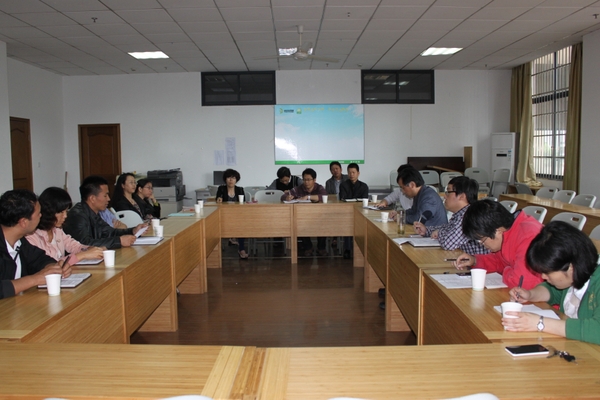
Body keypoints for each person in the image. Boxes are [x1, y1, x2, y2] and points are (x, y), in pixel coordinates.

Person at [504, 221, 600, 345]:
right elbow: (554, 291)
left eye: (547, 272)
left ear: (571, 267)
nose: (543, 277)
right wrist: (530, 294)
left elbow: (597, 330)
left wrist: (540, 323)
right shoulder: (575, 275)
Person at [454, 199, 543, 289]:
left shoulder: (528, 236)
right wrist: (475, 260)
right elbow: (499, 261)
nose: (481, 244)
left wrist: (507, 269)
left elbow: (521, 283)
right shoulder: (508, 232)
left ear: (498, 231)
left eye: (482, 240)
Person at [0, 189, 71, 299]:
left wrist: (53, 267)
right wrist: (35, 279)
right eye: (38, 213)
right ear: (23, 222)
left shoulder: (19, 241)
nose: (41, 216)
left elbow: (39, 258)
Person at [26, 187, 104, 263]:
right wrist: (82, 255)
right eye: (61, 212)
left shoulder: (57, 230)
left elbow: (74, 246)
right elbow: (50, 265)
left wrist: (91, 249)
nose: (65, 216)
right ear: (48, 212)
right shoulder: (32, 236)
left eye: (66, 211)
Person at [413, 176, 488, 254]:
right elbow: (447, 228)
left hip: (478, 261)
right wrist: (426, 230)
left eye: (448, 192)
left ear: (462, 196)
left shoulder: (469, 216)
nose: (445, 196)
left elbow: (448, 243)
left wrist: (438, 233)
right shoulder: (461, 213)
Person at [63, 175, 143, 249]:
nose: (108, 199)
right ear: (92, 198)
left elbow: (110, 232)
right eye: (105, 195)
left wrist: (133, 231)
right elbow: (84, 244)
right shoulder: (77, 216)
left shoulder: (94, 213)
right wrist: (119, 241)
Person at [282, 168, 328, 257]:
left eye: (309, 180)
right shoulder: (299, 188)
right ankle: (308, 248)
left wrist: (308, 197)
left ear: (314, 180)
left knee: (324, 223)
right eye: (304, 180)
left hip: (318, 216)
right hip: (304, 216)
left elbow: (323, 196)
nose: (306, 182)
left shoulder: (319, 187)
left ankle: (321, 248)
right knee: (299, 223)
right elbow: (284, 196)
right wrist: (287, 197)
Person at [216, 169, 248, 259]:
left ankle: (241, 248)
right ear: (225, 179)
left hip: (237, 215)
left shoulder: (240, 189)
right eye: (229, 178)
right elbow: (218, 199)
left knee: (241, 224)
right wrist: (219, 199)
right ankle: (232, 237)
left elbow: (244, 203)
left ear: (236, 180)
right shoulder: (221, 189)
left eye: (233, 178)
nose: (231, 180)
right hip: (224, 215)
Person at [339, 163, 369, 258]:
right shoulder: (343, 185)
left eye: (353, 172)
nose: (351, 174)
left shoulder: (364, 186)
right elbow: (342, 198)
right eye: (349, 172)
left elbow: (365, 200)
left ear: (358, 173)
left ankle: (361, 250)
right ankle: (347, 249)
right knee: (349, 224)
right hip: (347, 212)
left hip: (361, 212)